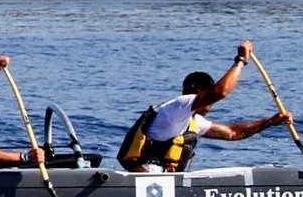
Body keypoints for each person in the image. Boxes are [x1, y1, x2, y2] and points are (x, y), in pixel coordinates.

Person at [121, 42, 290, 171]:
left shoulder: (193, 122)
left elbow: (233, 133)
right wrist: (241, 61)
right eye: (208, 95)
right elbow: (220, 92)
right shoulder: (177, 106)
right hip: (145, 181)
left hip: (164, 181)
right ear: (197, 91)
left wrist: (270, 122)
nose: (212, 104)